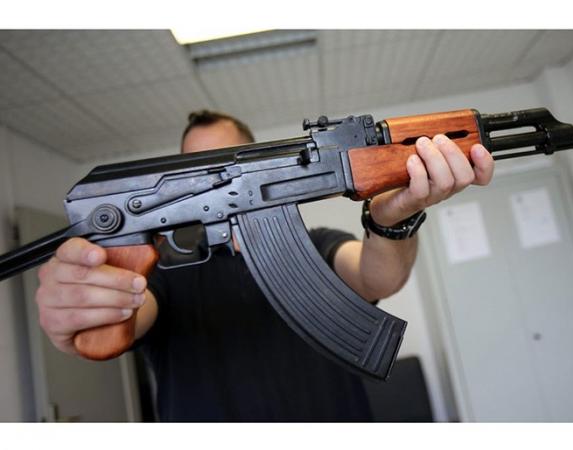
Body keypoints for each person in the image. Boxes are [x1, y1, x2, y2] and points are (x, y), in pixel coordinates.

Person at [34, 110, 495, 421]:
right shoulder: (162, 273)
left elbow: (381, 277)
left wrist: (392, 218)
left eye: (222, 160)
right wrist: (84, 307)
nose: (210, 176)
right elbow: (126, 314)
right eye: (194, 166)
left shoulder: (314, 246)